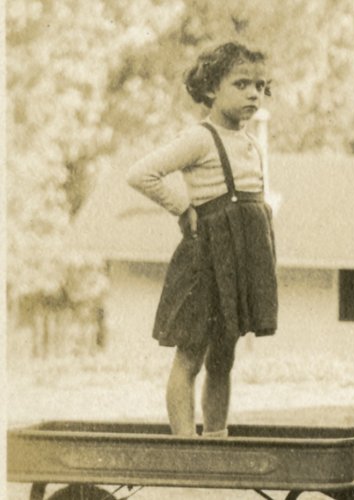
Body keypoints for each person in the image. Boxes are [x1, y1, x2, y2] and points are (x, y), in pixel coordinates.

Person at [126, 41, 277, 438]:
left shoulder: (250, 143)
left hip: (239, 263)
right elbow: (141, 173)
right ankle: (183, 447)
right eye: (241, 83)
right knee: (191, 353)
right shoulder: (200, 138)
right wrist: (182, 206)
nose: (253, 93)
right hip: (206, 261)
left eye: (260, 86)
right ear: (211, 89)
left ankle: (215, 439)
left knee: (224, 357)